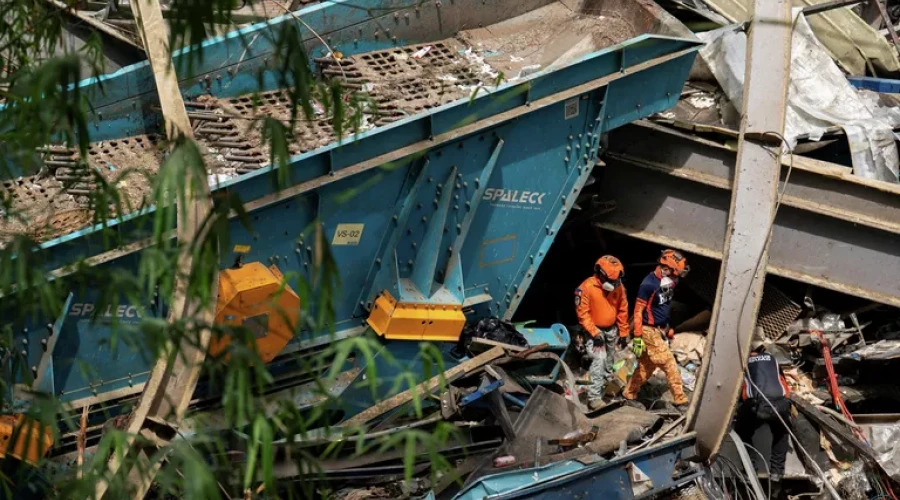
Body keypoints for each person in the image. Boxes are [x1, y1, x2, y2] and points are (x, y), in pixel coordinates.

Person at [623, 249, 690, 409]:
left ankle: (629, 394)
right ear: (667, 268)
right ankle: (681, 400)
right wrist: (638, 337)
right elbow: (638, 311)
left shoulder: (669, 282)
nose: (677, 277)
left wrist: (667, 327)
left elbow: (663, 306)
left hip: (659, 329)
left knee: (647, 365)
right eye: (676, 273)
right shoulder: (649, 284)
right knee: (669, 363)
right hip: (647, 330)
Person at [736, 339, 792, 498]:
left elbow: (739, 389)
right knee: (781, 433)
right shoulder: (773, 359)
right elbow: (783, 382)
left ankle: (749, 471)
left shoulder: (743, 363)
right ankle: (776, 473)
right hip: (780, 404)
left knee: (742, 433)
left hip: (757, 405)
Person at [574, 255, 629, 410]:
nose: (614, 284)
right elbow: (583, 314)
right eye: (611, 281)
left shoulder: (619, 287)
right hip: (594, 329)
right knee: (599, 360)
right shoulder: (586, 288)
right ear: (600, 273)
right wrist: (594, 333)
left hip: (611, 329)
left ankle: (604, 388)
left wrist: (624, 332)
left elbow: (623, 310)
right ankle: (594, 398)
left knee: (609, 362)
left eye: (615, 281)